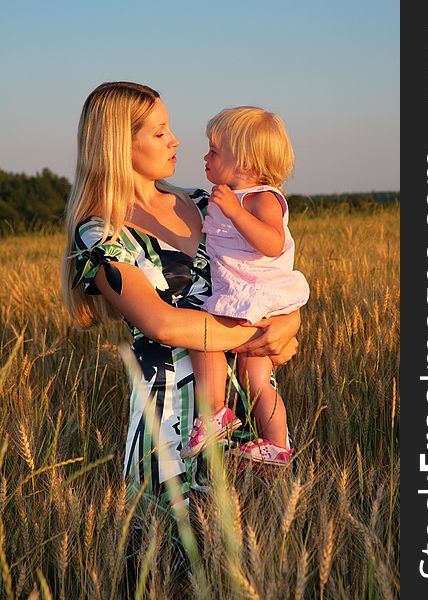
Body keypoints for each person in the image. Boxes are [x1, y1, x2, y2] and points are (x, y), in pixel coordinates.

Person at [61, 82, 300, 507]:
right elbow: (164, 323)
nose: (176, 140)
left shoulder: (211, 203)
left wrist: (288, 322)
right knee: (173, 565)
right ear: (119, 144)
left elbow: (272, 278)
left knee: (256, 564)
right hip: (171, 432)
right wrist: (259, 333)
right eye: (159, 132)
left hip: (252, 426)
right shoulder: (101, 233)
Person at [180, 107, 309, 465]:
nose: (205, 156)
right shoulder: (226, 196)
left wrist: (235, 213)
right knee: (255, 380)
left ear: (246, 164)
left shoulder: (261, 198)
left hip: (252, 296)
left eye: (214, 150)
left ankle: (215, 415)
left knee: (204, 342)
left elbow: (272, 243)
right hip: (244, 296)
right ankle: (277, 444)